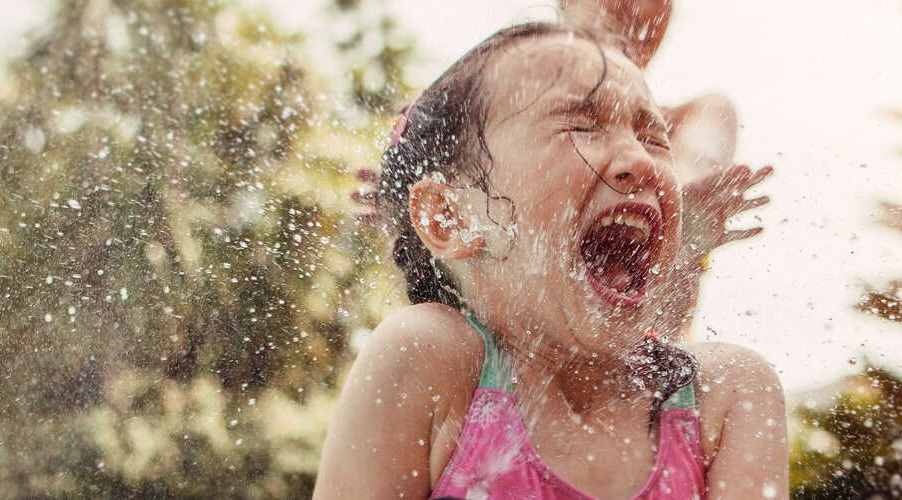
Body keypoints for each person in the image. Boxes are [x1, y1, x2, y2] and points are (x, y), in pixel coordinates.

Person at [315, 22, 786, 499]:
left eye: (653, 138)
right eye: (581, 126)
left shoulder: (724, 397)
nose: (640, 161)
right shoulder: (431, 362)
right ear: (450, 218)